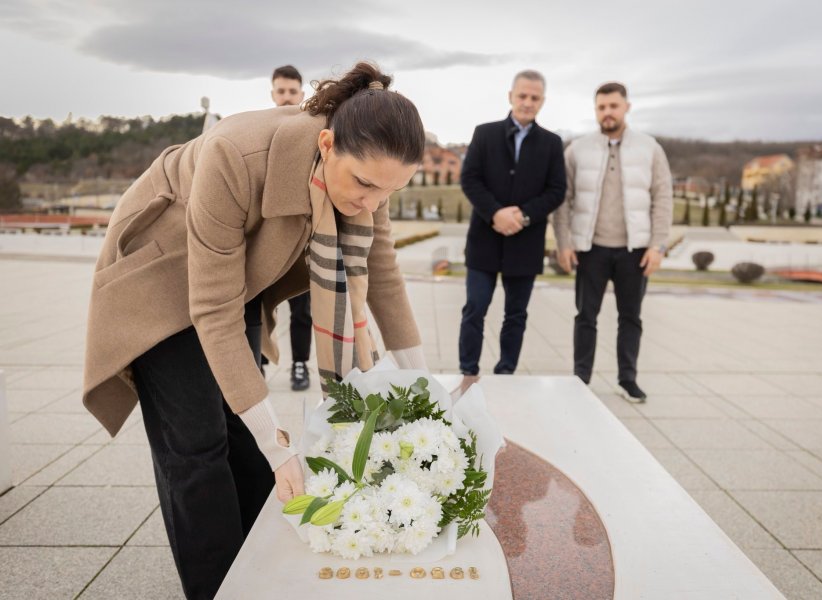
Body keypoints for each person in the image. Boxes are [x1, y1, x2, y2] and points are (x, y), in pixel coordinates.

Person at [82, 62, 428, 600]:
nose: (371, 205)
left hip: (234, 273)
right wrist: (279, 443)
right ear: (327, 143)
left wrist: (423, 390)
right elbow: (213, 310)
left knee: (243, 430)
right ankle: (219, 588)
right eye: (363, 187)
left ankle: (260, 570)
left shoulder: (371, 173)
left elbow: (381, 272)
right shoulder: (234, 155)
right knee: (196, 445)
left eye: (387, 194)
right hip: (162, 268)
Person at [551, 82, 673, 403]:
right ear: (596, 110)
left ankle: (627, 379)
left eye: (613, 106)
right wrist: (564, 242)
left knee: (630, 317)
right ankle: (581, 379)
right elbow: (563, 200)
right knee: (585, 316)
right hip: (590, 248)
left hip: (636, 250)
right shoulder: (577, 149)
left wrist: (658, 245)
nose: (607, 112)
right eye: (601, 107)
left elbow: (663, 198)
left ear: (626, 107)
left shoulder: (650, 148)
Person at [458, 70, 566, 376]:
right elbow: (470, 179)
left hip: (525, 243)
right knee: (474, 309)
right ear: (511, 96)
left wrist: (524, 215)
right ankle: (468, 372)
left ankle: (506, 373)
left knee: (516, 314)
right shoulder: (484, 133)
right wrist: (496, 213)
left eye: (534, 98)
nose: (527, 102)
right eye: (522, 96)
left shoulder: (552, 143)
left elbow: (557, 190)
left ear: (542, 101)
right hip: (484, 240)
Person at [269, 64, 313, 391]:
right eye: (281, 91)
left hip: (301, 238)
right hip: (266, 239)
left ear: (302, 94)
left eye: (292, 92)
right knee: (256, 306)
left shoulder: (312, 134)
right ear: (273, 94)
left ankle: (300, 364)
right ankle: (257, 362)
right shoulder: (259, 131)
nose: (286, 98)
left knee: (302, 310)